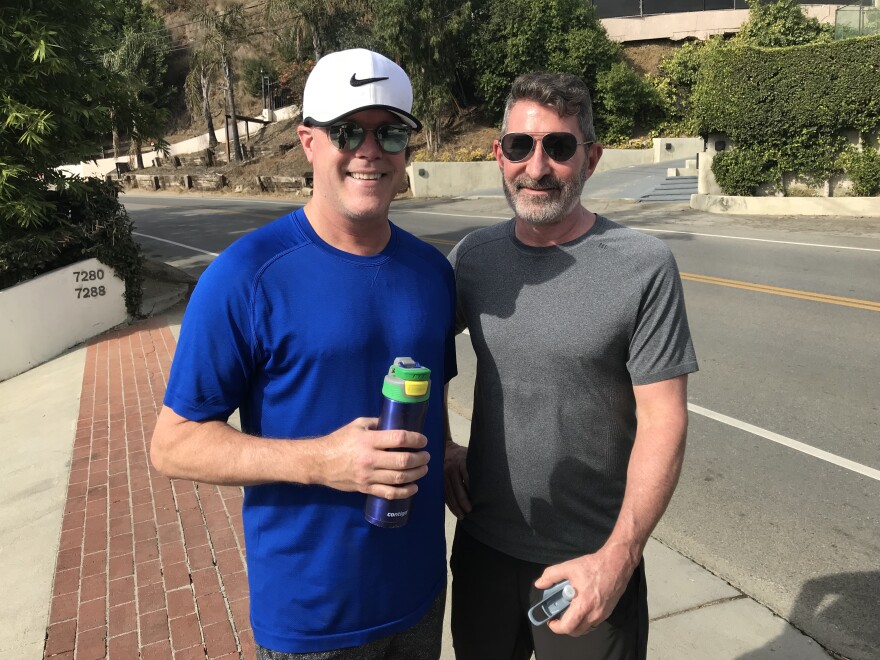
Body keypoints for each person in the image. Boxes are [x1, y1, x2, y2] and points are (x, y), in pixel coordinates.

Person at [150, 48, 457, 659]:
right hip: (311, 617)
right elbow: (173, 445)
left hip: (420, 595)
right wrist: (323, 461)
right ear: (309, 141)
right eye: (347, 131)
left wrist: (449, 455)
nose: (370, 151)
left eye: (390, 132)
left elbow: (431, 401)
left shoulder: (431, 271)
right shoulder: (246, 274)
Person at [444, 71, 698, 660]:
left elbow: (664, 420)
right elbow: (416, 353)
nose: (536, 168)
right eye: (520, 146)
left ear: (592, 157)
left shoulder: (644, 265)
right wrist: (443, 443)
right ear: (499, 153)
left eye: (558, 147)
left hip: (589, 563)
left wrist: (618, 559)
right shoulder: (473, 258)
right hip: (483, 549)